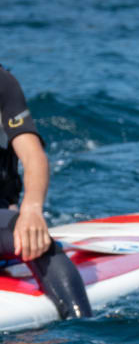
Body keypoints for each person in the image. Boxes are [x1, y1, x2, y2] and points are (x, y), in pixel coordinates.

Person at [0, 66, 92, 319]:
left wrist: (31, 210)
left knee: (37, 244)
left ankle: (82, 331)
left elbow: (32, 156)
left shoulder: (2, 84)